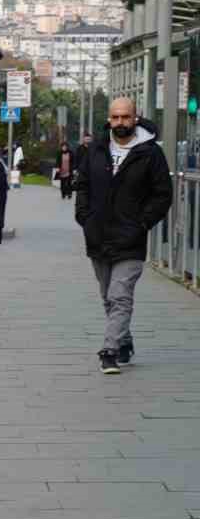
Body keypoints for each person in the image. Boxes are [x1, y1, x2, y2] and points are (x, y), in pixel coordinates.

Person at [74, 97, 173, 375]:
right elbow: (82, 185)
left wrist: (142, 223)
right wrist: (84, 216)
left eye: (125, 117)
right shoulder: (96, 149)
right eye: (115, 118)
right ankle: (124, 340)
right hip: (98, 236)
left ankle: (109, 350)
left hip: (131, 238)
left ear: (136, 118)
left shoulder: (150, 152)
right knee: (108, 295)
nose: (120, 123)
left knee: (120, 295)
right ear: (109, 119)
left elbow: (162, 194)